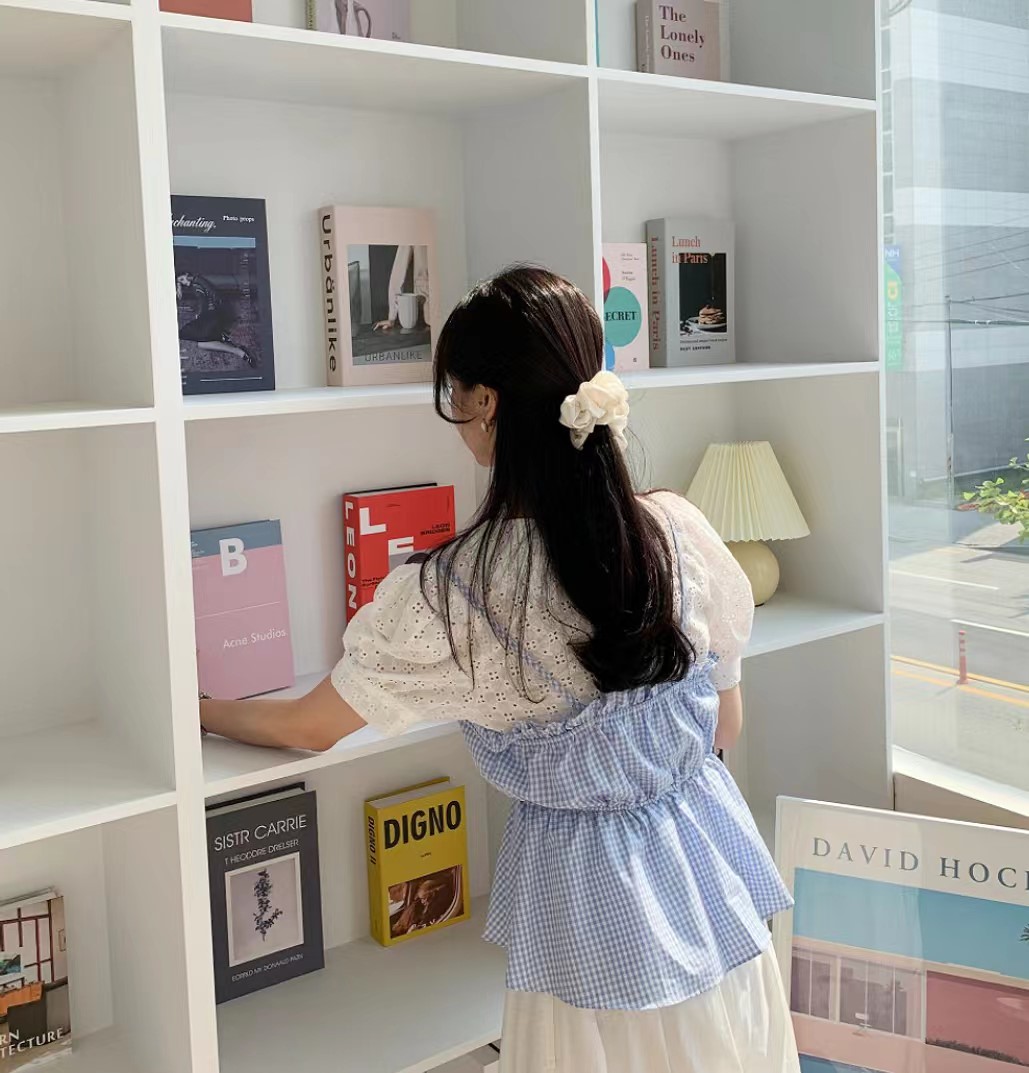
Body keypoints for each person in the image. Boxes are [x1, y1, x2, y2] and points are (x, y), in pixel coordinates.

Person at [199, 266, 800, 1072]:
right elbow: (726, 722)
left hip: (588, 934)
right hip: (716, 897)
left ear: (484, 403)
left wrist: (204, 708)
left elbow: (310, 727)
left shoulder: (455, 594)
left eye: (452, 393)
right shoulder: (674, 530)